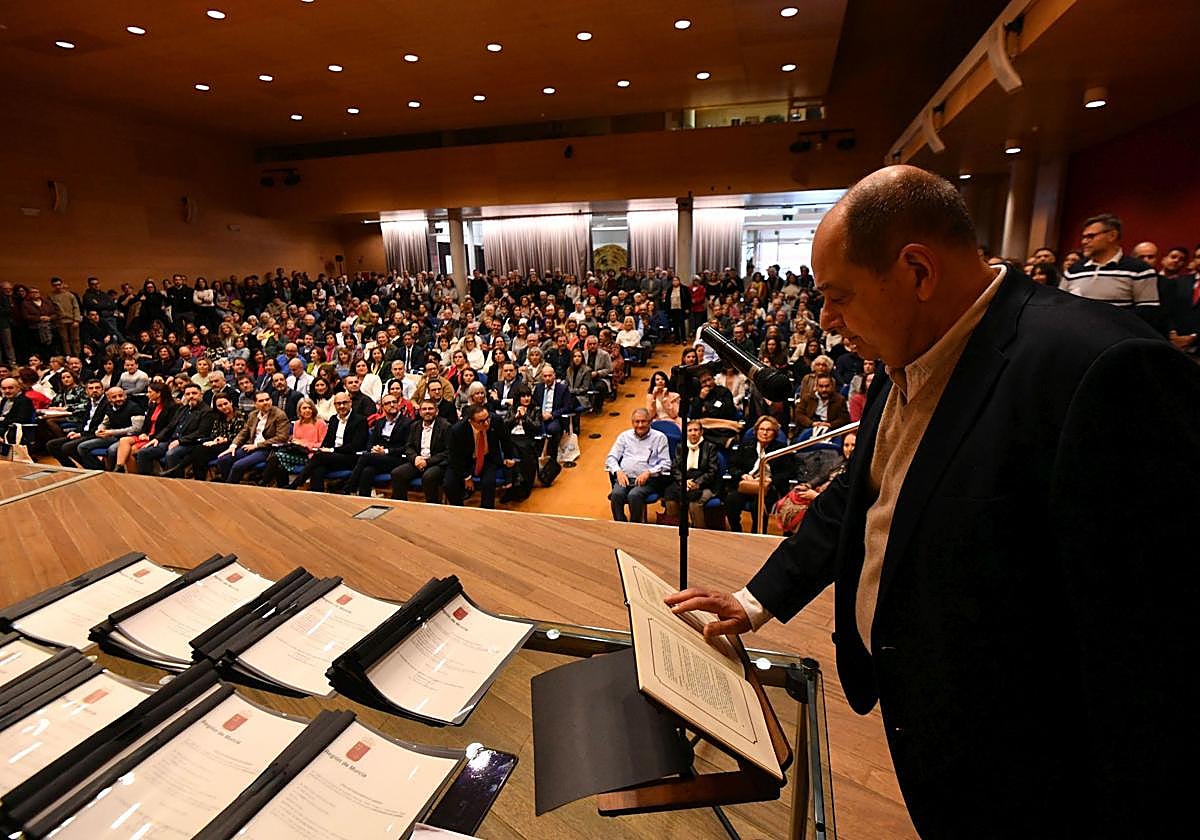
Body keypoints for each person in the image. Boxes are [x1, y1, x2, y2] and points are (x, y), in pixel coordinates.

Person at [665, 165, 1200, 838]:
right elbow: (858, 499)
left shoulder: (1102, 369)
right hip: (936, 738)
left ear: (917, 272)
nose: (826, 321)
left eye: (838, 296)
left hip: (1035, 780)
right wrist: (753, 601)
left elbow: (1155, 655)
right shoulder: (906, 350)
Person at [1060, 213, 1161, 330]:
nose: (1084, 242)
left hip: (1117, 336)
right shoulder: (1073, 270)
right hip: (1075, 334)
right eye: (1083, 237)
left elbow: (1147, 311)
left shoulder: (1139, 270)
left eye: (1091, 236)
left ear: (1112, 236)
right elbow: (1059, 304)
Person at [722, 415, 795, 533]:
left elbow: (788, 473)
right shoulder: (746, 445)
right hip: (747, 485)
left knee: (758, 505)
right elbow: (732, 466)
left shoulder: (781, 449)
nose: (764, 433)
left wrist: (770, 479)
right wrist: (743, 475)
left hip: (768, 488)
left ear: (775, 433)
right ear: (756, 431)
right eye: (762, 429)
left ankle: (757, 534)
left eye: (769, 430)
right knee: (731, 500)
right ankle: (736, 531)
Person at [604, 408, 672, 523]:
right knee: (616, 495)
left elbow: (666, 463)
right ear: (632, 422)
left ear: (650, 422)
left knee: (634, 495)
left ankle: (635, 526)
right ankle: (620, 525)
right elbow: (611, 458)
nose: (640, 425)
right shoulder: (624, 436)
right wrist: (618, 471)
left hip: (649, 480)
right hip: (625, 478)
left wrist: (649, 472)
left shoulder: (660, 438)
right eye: (637, 422)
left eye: (643, 421)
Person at [290, 392, 368, 492]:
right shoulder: (333, 419)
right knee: (318, 468)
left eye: (344, 403)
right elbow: (327, 441)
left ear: (350, 403)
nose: (342, 406)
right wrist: (324, 449)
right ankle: (317, 496)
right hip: (332, 458)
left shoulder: (360, 420)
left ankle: (295, 484)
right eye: (338, 404)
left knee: (318, 457)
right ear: (334, 405)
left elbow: (356, 446)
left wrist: (332, 450)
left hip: (350, 457)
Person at [443, 404, 513, 509]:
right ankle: (459, 509)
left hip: (488, 459)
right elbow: (454, 457)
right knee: (449, 484)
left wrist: (508, 457)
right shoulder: (457, 430)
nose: (486, 423)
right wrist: (467, 477)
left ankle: (486, 511)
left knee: (488, 483)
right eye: (481, 421)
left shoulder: (496, 420)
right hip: (465, 461)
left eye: (487, 418)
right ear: (471, 421)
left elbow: (506, 440)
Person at [343, 393, 411, 496]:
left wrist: (386, 451)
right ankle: (363, 499)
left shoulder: (408, 423)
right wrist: (374, 448)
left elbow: (407, 447)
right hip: (379, 458)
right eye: (388, 403)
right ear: (382, 407)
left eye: (394, 402)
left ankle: (349, 487)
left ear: (398, 404)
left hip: (397, 459)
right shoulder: (379, 422)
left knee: (365, 456)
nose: (392, 405)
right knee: (367, 471)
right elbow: (370, 443)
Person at [214, 391, 290, 483]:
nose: (265, 402)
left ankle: (229, 488)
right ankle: (228, 485)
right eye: (261, 401)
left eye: (267, 399)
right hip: (250, 446)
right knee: (223, 460)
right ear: (255, 403)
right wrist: (233, 445)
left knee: (238, 466)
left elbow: (282, 437)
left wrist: (257, 445)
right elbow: (244, 432)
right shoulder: (253, 415)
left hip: (267, 449)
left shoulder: (279, 415)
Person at [140, 384, 210, 475]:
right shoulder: (183, 409)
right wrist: (157, 438)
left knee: (171, 454)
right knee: (144, 452)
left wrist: (180, 441)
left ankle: (174, 481)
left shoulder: (207, 411)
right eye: (188, 394)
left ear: (201, 394)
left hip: (190, 443)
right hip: (172, 440)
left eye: (194, 393)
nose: (191, 396)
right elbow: (170, 426)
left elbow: (201, 432)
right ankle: (146, 480)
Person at [663, 419, 721, 528]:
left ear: (701, 432)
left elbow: (712, 471)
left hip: (705, 484)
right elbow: (675, 468)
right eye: (690, 430)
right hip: (684, 482)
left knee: (694, 503)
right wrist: (684, 481)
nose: (693, 433)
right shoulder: (681, 447)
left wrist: (697, 483)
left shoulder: (710, 447)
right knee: (670, 498)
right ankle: (678, 529)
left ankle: (699, 533)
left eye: (696, 430)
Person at [390, 398, 451, 503]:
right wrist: (415, 458)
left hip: (436, 463)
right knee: (397, 473)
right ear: (420, 412)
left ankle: (432, 506)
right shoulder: (415, 426)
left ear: (437, 411)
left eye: (430, 409)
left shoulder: (446, 426)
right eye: (424, 409)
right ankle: (401, 506)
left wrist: (427, 461)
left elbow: (448, 452)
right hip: (418, 461)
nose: (427, 411)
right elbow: (409, 447)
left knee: (428, 477)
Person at [111, 381, 177, 473]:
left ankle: (134, 476)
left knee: (129, 451)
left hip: (159, 438)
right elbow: (146, 424)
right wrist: (143, 433)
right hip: (147, 435)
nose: (147, 394)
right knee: (124, 440)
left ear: (158, 393)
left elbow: (169, 427)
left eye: (150, 392)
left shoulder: (172, 407)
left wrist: (150, 437)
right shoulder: (152, 405)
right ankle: (119, 467)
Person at [260, 398, 327, 488]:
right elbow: (296, 441)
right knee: (279, 465)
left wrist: (305, 444)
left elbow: (323, 445)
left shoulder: (320, 424)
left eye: (310, 408)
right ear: (299, 410)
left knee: (276, 457)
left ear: (313, 409)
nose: (307, 410)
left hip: (312, 456)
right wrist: (294, 442)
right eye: (304, 408)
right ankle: (282, 489)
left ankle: (262, 483)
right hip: (297, 453)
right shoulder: (297, 424)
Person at [74, 386, 145, 470]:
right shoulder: (109, 407)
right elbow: (105, 422)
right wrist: (100, 429)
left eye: (120, 395)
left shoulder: (134, 407)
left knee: (112, 450)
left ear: (125, 395)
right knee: (82, 447)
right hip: (113, 436)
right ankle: (98, 469)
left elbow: (136, 429)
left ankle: (113, 472)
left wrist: (112, 432)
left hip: (129, 438)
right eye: (114, 397)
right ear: (109, 398)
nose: (118, 399)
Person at [46, 378, 107, 465]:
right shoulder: (90, 402)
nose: (94, 390)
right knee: (51, 445)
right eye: (91, 388)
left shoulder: (106, 403)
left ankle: (94, 467)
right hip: (85, 432)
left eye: (97, 388)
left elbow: (101, 425)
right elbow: (85, 422)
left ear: (102, 390)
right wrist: (76, 431)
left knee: (67, 447)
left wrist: (80, 434)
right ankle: (71, 467)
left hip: (95, 433)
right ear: (86, 391)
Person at [499, 386, 541, 501]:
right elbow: (504, 425)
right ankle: (511, 485)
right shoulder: (512, 408)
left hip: (526, 437)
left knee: (518, 449)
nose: (526, 398)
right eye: (523, 396)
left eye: (528, 396)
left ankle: (520, 486)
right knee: (508, 448)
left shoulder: (536, 409)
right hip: (512, 436)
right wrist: (515, 417)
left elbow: (536, 427)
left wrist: (525, 416)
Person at [531, 365, 573, 465]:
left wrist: (551, 415)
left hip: (555, 417)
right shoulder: (539, 388)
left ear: (554, 375)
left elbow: (567, 407)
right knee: (531, 427)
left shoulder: (562, 388)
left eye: (550, 376)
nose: (548, 378)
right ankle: (536, 458)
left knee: (552, 429)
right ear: (542, 377)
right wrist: (540, 413)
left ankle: (552, 457)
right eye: (545, 376)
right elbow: (534, 404)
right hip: (540, 416)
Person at [0, 377, 35, 454]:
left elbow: (22, 419)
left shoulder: (24, 401)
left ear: (18, 388)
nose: (7, 391)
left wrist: (3, 421)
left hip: (15, 429)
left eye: (10, 388)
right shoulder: (4, 400)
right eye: (4, 388)